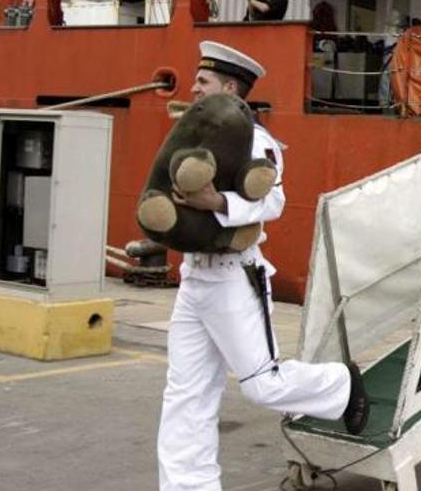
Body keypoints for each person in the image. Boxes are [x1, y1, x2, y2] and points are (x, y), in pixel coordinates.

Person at [157, 41, 369, 491]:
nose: (193, 87)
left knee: (262, 385)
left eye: (203, 81)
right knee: (185, 393)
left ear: (229, 87)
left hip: (235, 276)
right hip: (195, 276)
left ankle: (339, 384)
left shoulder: (256, 140)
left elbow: (274, 199)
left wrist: (217, 201)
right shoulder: (194, 136)